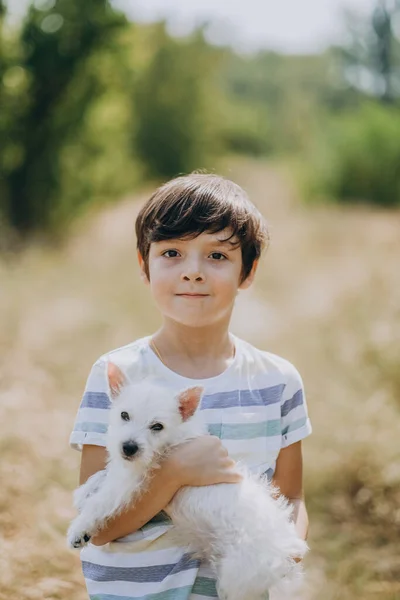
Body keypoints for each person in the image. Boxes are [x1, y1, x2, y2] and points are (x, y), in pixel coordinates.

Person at [69, 172, 312, 599]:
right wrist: (175, 472)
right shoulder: (117, 374)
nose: (193, 273)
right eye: (173, 252)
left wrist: (282, 559)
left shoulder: (278, 382)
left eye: (217, 256)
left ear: (248, 271)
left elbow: (290, 495)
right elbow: (98, 527)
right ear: (144, 266)